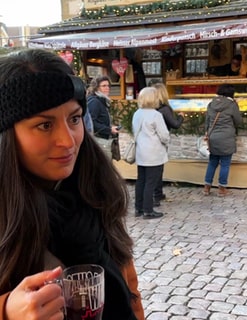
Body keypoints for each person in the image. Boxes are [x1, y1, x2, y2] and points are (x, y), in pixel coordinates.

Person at [0, 49, 144, 320]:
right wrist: (6, 311)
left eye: (74, 119)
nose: (68, 141)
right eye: (44, 125)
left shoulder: (96, 190)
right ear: (6, 136)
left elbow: (130, 291)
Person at [132, 86, 170, 219]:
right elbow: (164, 135)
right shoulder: (156, 115)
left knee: (141, 180)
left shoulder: (137, 113)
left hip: (141, 152)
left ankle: (139, 208)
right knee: (151, 182)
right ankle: (148, 210)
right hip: (154, 153)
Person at [203, 84, 242, 196]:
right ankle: (221, 188)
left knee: (212, 162)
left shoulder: (211, 104)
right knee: (225, 163)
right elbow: (238, 121)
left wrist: (207, 132)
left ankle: (207, 187)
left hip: (213, 137)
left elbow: (207, 121)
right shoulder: (232, 105)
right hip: (227, 137)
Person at [151, 82, 184, 206]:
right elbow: (175, 124)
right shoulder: (165, 109)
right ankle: (156, 194)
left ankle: (157, 193)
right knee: (158, 169)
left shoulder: (151, 109)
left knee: (155, 168)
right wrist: (181, 116)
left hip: (151, 141)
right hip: (160, 142)